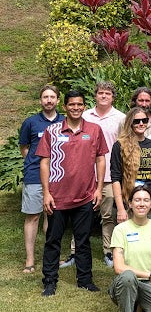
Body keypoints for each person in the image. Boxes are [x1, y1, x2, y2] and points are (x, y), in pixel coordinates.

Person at [37, 88, 107, 297]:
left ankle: (85, 280)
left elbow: (100, 159)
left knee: (83, 241)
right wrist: (46, 193)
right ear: (65, 106)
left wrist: (98, 189)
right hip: (57, 198)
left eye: (79, 104)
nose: (76, 108)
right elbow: (45, 162)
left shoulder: (94, 130)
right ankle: (50, 281)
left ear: (84, 106)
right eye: (72, 104)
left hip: (85, 196)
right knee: (53, 240)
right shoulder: (53, 131)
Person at [18, 85, 63, 273]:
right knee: (33, 216)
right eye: (45, 97)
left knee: (52, 217)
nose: (49, 100)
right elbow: (24, 148)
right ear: (40, 100)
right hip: (35, 175)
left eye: (52, 97)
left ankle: (52, 257)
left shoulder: (65, 121)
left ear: (58, 101)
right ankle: (30, 260)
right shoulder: (31, 122)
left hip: (59, 176)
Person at [83, 80, 126, 268]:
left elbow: (124, 146)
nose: (103, 96)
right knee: (81, 214)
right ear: (95, 95)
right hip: (85, 173)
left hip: (109, 174)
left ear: (113, 97)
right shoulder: (85, 116)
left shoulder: (121, 118)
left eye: (108, 94)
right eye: (101, 93)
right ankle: (77, 252)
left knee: (107, 215)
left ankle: (108, 251)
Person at [111, 107, 151, 226]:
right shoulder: (120, 145)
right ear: (130, 123)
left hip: (150, 200)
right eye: (136, 121)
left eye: (144, 120)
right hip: (128, 201)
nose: (141, 123)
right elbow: (116, 178)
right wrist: (121, 209)